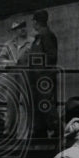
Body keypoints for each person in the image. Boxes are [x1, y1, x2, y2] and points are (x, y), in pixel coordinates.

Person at [28, 9, 58, 138]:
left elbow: (52, 56)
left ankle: (57, 128)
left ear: (36, 22)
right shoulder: (39, 37)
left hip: (44, 76)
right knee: (38, 103)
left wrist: (39, 66)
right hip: (37, 76)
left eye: (34, 21)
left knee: (45, 103)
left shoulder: (46, 35)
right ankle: (40, 130)